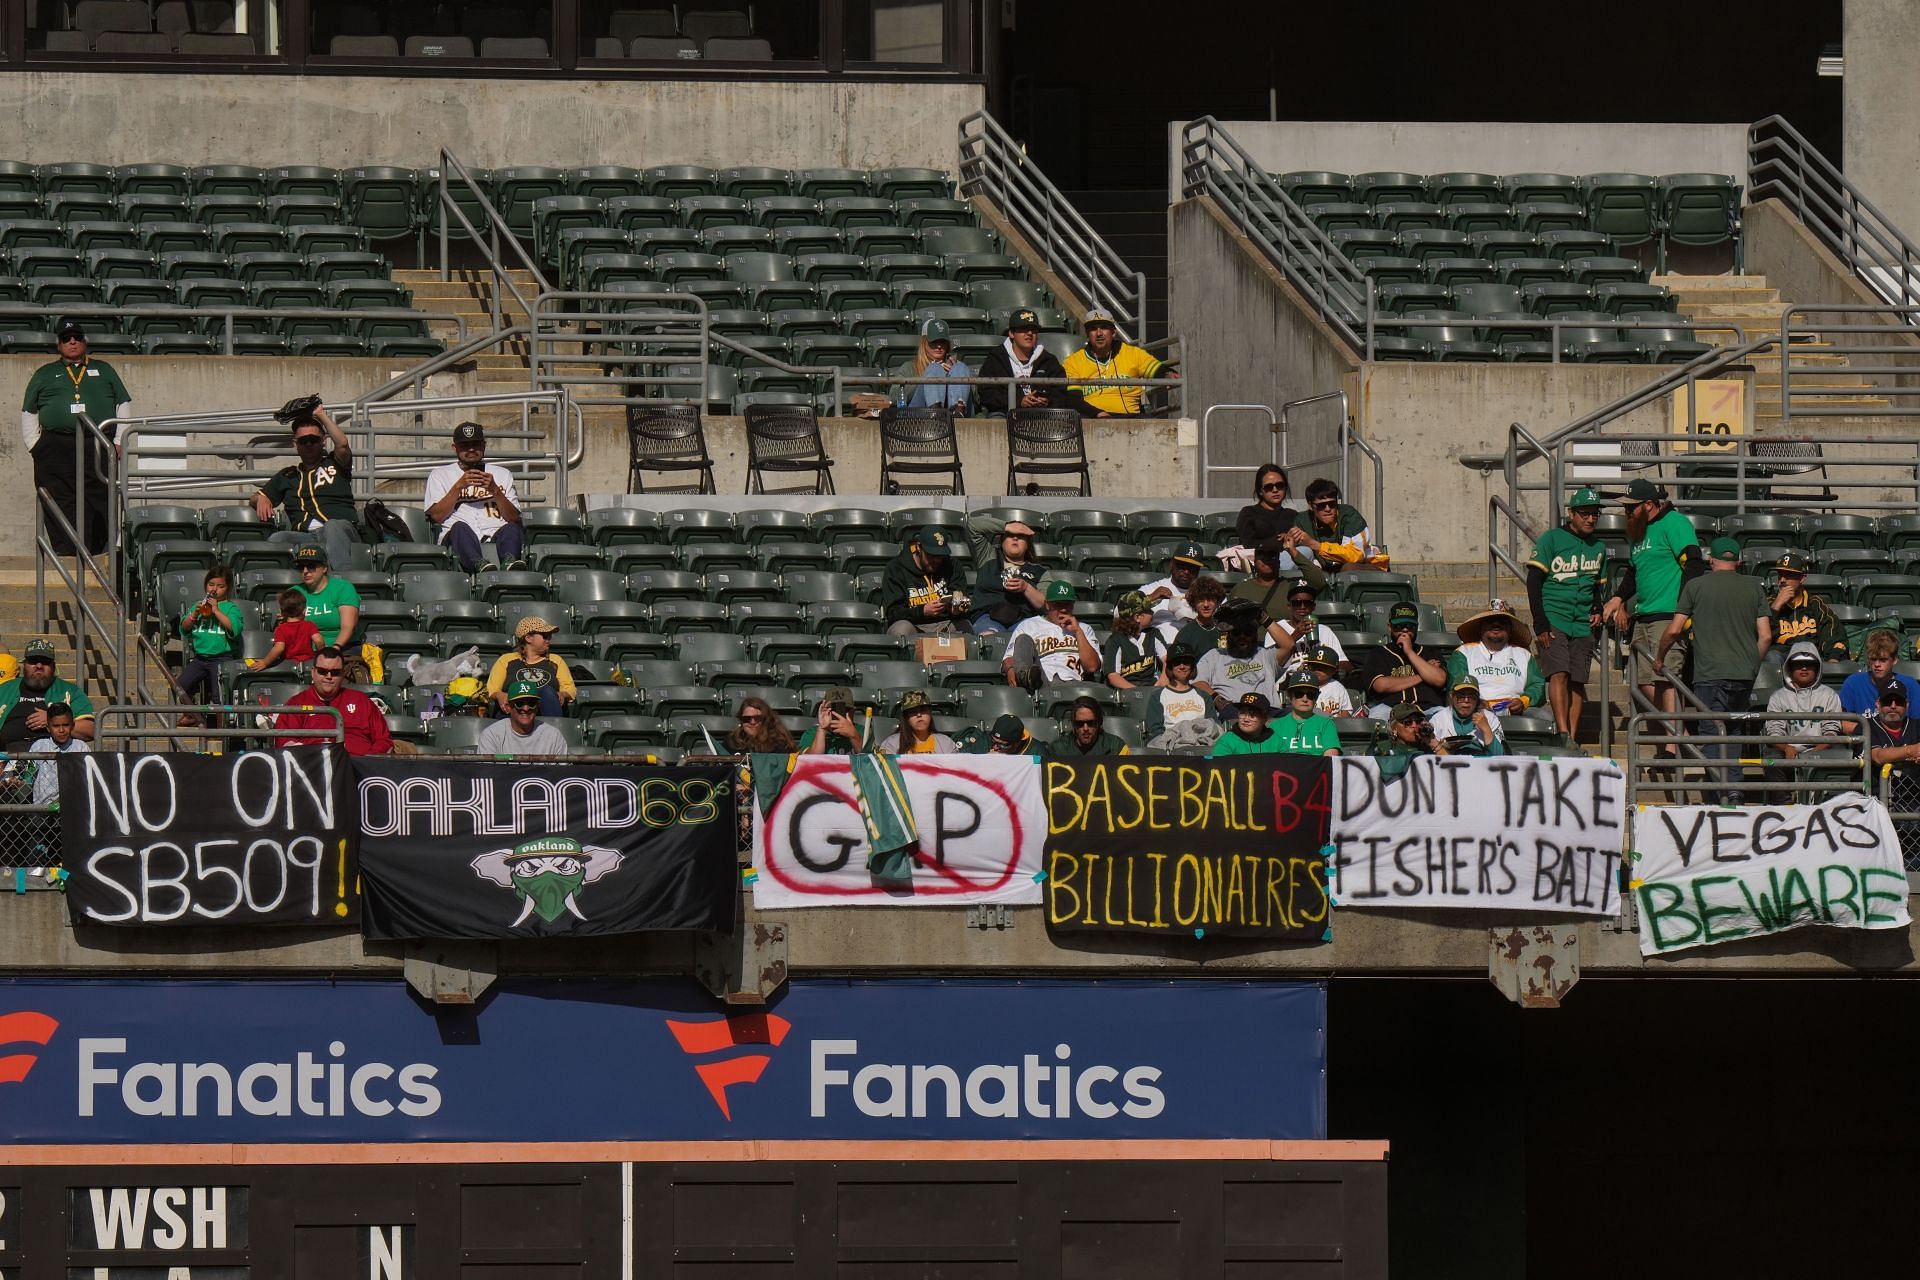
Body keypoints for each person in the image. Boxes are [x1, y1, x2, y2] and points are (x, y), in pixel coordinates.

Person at [1658, 536, 1772, 802]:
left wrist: (1659, 657)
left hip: (1709, 675)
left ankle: (1721, 793)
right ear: (1739, 561)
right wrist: (1751, 664)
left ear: (1711, 560)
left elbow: (1675, 629)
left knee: (1711, 734)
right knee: (1733, 734)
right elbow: (1765, 636)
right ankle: (1733, 790)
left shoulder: (1696, 586)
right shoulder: (1754, 587)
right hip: (1742, 675)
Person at [1601, 478, 1703, 748]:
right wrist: (1617, 597)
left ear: (1649, 505)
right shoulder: (1640, 531)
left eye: (1632, 507)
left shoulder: (1675, 523)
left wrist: (1683, 612)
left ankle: (1672, 743)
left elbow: (1693, 564)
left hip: (1668, 615)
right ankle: (1678, 732)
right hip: (1643, 615)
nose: (1627, 512)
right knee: (1645, 683)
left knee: (1666, 678)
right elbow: (1634, 571)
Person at [21, 318, 129, 555]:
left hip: (96, 443)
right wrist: (34, 444)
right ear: (58, 344)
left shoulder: (104, 369)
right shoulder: (45, 373)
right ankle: (66, 554)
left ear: (85, 341)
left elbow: (122, 403)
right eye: (66, 339)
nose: (72, 342)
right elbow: (29, 410)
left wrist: (119, 440)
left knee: (99, 497)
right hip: (56, 446)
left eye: (77, 338)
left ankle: (98, 553)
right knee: (59, 499)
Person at [1527, 487, 1608, 740]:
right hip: (1555, 616)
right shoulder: (1551, 539)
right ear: (1571, 513)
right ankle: (1562, 733)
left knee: (1577, 681)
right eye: (1584, 513)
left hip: (1582, 622)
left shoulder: (1599, 546)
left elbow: (1596, 585)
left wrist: (1597, 607)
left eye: (1595, 513)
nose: (1590, 519)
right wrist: (1540, 624)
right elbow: (1534, 581)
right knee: (1558, 673)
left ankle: (1572, 737)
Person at [254, 401, 361, 571]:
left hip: (342, 531)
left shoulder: (336, 463)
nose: (309, 444)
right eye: (304, 441)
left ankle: (343, 581)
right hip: (305, 536)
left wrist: (320, 415)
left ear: (323, 441)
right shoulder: (287, 475)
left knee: (333, 526)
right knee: (277, 539)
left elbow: (342, 444)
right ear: (295, 444)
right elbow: (256, 497)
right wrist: (262, 498)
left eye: (314, 440)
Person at [424, 420, 524, 573]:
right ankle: (479, 564)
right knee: (459, 527)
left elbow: (514, 518)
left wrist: (495, 490)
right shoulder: (439, 475)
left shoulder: (502, 474)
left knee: (511, 528)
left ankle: (509, 563)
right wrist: (457, 487)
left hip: (495, 535)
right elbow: (436, 516)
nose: (471, 449)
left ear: (484, 445)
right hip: (458, 538)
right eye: (465, 445)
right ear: (454, 447)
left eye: (475, 444)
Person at [273, 646, 393, 756]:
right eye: (322, 671)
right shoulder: (296, 703)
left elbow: (383, 740)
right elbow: (284, 741)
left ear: (343, 674)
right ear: (313, 672)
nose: (329, 676)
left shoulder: (361, 701)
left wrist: (369, 758)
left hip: (358, 768)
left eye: (335, 672)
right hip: (314, 769)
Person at [1765, 642, 1847, 803]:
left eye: (1809, 664)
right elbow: (1774, 730)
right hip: (1787, 750)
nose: (1804, 668)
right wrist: (1786, 747)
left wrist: (1815, 751)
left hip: (1821, 748)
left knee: (1841, 751)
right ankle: (1784, 806)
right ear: (1789, 667)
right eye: (1798, 664)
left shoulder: (1829, 695)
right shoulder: (1778, 697)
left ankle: (1828, 804)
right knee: (1771, 757)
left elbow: (1831, 730)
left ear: (1817, 667)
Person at [1062, 306, 1173, 418]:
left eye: (1104, 327)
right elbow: (1073, 400)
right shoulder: (1073, 362)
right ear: (1087, 334)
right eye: (1093, 329)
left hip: (1131, 418)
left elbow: (1155, 368)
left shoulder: (1132, 353)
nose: (1099, 333)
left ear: (1113, 332)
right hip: (1092, 418)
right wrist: (1098, 413)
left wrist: (1167, 374)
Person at [977, 308, 1088, 418]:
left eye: (1034, 330)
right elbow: (986, 393)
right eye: (1024, 329)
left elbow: (1060, 393)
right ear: (1011, 333)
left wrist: (1047, 401)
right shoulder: (996, 358)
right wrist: (1019, 401)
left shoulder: (1048, 360)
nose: (1029, 333)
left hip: (1043, 415)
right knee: (996, 420)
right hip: (1006, 413)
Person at [1447, 601, 1544, 715]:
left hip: (1517, 710)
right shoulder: (1463, 652)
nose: (1496, 625)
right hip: (1476, 709)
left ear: (1510, 629)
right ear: (1481, 627)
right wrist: (1477, 703)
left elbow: (1537, 685)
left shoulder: (1524, 655)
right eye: (1490, 621)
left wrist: (1523, 701)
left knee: (1544, 717)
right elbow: (1456, 685)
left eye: (1502, 622)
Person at [176, 564, 242, 725]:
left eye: (220, 586)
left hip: (221, 658)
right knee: (181, 685)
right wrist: (194, 614)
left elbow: (235, 629)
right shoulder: (197, 606)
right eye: (211, 585)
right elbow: (184, 628)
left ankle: (221, 728)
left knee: (219, 696)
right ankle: (192, 714)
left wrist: (216, 611)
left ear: (227, 588)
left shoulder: (231, 608)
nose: (214, 589)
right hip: (200, 658)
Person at [0, 639, 95, 750]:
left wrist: (52, 720)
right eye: (33, 661)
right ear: (24, 665)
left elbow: (90, 730)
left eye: (45, 662)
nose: (39, 666)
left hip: (54, 759)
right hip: (7, 758)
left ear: (53, 667)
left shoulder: (70, 691)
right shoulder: (5, 689)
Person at [1005, 580, 1101, 689]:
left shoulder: (1084, 629)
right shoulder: (1028, 625)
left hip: (1074, 685)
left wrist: (1078, 631)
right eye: (1058, 604)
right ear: (1047, 604)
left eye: (1067, 604)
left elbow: (1092, 667)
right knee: (1023, 639)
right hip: (1041, 683)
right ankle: (1027, 680)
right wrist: (1010, 669)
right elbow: (1008, 659)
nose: (1064, 609)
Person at [1359, 601, 1447, 719]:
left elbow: (1439, 679)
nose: (1405, 630)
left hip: (1428, 709)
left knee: (1445, 717)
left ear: (1416, 627)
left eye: (1409, 626)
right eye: (1399, 626)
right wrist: (1422, 675)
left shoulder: (1430, 652)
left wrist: (1409, 652)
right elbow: (1381, 685)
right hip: (1390, 709)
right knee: (1376, 718)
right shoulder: (1378, 653)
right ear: (1389, 627)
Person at [1196, 602, 1283, 719]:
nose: (1242, 636)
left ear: (1255, 635)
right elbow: (1198, 682)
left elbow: (1288, 645)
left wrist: (1264, 618)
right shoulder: (1215, 655)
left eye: (1248, 633)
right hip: (1235, 710)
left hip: (1268, 711)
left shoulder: (1265, 654)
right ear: (1228, 635)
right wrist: (1217, 699)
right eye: (1236, 633)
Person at [485, 615, 577, 719]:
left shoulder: (555, 660)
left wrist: (563, 694)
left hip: (544, 713)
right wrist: (499, 695)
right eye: (544, 635)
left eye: (549, 636)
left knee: (547, 691)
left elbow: (570, 688)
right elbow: (492, 689)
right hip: (514, 712)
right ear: (528, 638)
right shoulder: (507, 660)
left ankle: (553, 733)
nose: (549, 639)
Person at [881, 525, 963, 638]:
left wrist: (956, 608)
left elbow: (958, 593)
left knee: (966, 628)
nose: (936, 560)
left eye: (940, 556)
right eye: (931, 555)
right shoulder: (896, 568)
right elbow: (893, 612)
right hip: (914, 625)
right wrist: (922, 611)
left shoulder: (953, 566)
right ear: (919, 548)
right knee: (900, 630)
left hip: (946, 623)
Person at [1768, 550, 1848, 664]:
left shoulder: (1815, 604)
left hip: (1811, 658)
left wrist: (1833, 659)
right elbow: (1758, 636)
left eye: (1788, 575)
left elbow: (1833, 633)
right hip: (1781, 657)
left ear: (1802, 578)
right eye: (1780, 575)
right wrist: (1775, 607)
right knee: (1772, 657)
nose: (1782, 580)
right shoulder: (1769, 603)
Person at [969, 519, 1046, 635]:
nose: (1015, 538)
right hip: (987, 616)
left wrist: (1026, 587)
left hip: (1023, 619)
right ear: (1002, 541)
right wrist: (1007, 526)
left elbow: (1047, 605)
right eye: (1010, 535)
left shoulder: (1039, 571)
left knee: (1025, 640)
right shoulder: (988, 556)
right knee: (990, 639)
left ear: (1027, 545)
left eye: (1020, 536)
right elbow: (972, 525)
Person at [1299, 478, 1381, 573]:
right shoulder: (1301, 521)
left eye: (1332, 504)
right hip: (1327, 570)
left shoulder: (1350, 516)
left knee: (1348, 569)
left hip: (1368, 567)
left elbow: (1355, 555)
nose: (1328, 509)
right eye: (1321, 505)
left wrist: (1315, 545)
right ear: (1310, 506)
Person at [476, 678, 572, 756]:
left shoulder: (553, 736)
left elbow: (563, 774)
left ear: (538, 707)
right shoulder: (491, 735)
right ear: (508, 707)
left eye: (531, 703)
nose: (526, 708)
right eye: (519, 703)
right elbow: (488, 774)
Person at [291, 543, 361, 650]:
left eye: (311, 566)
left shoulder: (343, 588)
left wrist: (334, 649)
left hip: (343, 648)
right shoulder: (294, 592)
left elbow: (348, 627)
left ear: (324, 568)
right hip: (307, 650)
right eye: (301, 567)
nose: (305, 571)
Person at [1840, 629, 1920, 715]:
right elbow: (1844, 723)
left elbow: (1916, 723)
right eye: (1873, 659)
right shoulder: (1853, 683)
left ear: (1895, 660)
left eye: (1883, 660)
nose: (1877, 664)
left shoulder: (1910, 685)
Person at [1272, 583, 1348, 674]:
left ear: (1313, 606)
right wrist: (1295, 636)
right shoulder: (1277, 628)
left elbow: (1344, 663)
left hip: (1320, 682)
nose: (1302, 607)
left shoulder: (1325, 631)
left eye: (1307, 603)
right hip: (1289, 683)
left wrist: (1322, 667)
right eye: (1297, 603)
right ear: (1289, 606)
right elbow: (1270, 663)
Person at [1139, 542, 1207, 642]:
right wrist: (1149, 598)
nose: (1186, 571)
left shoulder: (1208, 594)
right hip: (1159, 649)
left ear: (1198, 570)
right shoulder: (1152, 589)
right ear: (1172, 564)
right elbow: (1118, 615)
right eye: (1182, 565)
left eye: (1192, 568)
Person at [1143, 645, 1211, 743]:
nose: (1182, 666)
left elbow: (1213, 726)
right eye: (1177, 663)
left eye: (1186, 662)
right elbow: (1156, 731)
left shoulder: (1204, 696)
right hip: (1172, 747)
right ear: (1170, 666)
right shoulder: (1158, 696)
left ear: (1192, 666)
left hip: (1201, 745)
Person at [904, 317, 972, 413]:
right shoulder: (909, 367)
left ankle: (958, 413)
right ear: (924, 343)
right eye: (934, 342)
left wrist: (952, 377)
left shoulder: (957, 367)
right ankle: (936, 414)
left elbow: (977, 399)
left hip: (955, 415)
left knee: (960, 366)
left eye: (942, 342)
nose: (939, 346)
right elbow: (893, 396)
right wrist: (926, 379)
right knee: (934, 369)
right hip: (921, 414)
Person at [1426, 675, 1505, 755]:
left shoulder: (1490, 718)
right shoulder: (1439, 719)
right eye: (1461, 695)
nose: (1466, 700)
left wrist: (1486, 729)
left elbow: (1500, 758)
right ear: (1451, 696)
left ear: (1477, 698)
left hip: (1481, 764)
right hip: (1448, 764)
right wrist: (1440, 746)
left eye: (1471, 695)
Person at [251, 588, 322, 674]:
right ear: (304, 611)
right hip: (308, 664)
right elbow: (318, 640)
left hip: (289, 666)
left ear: (282, 612)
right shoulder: (309, 625)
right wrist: (320, 656)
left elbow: (279, 647)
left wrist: (265, 662)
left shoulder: (281, 629)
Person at [1235, 464, 1303, 550]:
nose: (1275, 490)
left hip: (1290, 558)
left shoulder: (1293, 515)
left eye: (1280, 485)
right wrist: (1281, 542)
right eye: (1268, 487)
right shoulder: (1249, 513)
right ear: (1260, 491)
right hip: (1259, 559)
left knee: (1306, 551)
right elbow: (1248, 544)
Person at [1102, 592, 1162, 689]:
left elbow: (1167, 660)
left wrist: (1161, 682)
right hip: (1126, 691)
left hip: (1152, 687)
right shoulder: (1115, 640)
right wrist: (1137, 693)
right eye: (1149, 610)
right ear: (1138, 617)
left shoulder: (1153, 634)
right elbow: (1113, 676)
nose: (1153, 612)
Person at [1271, 675, 1341, 756]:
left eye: (1310, 695)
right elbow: (1271, 760)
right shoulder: (1276, 727)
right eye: (1299, 694)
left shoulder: (1326, 724)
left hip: (1317, 768)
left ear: (1316, 697)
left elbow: (1330, 758)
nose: (1305, 699)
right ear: (1289, 696)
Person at [1371, 701, 1439, 779]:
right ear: (1394, 729)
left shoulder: (1429, 746)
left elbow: (1450, 769)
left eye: (1418, 721)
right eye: (1408, 722)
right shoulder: (1384, 748)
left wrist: (1434, 743)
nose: (1414, 725)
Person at [1209, 691, 1287, 757]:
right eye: (1242, 713)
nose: (1246, 719)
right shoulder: (1227, 741)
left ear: (1264, 719)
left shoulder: (1276, 740)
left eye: (1252, 715)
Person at [880, 689, 957, 754]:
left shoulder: (945, 743)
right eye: (913, 712)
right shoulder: (891, 744)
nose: (919, 715)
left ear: (930, 713)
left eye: (923, 710)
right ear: (906, 717)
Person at [1052, 695, 1130, 757]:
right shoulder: (1058, 749)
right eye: (1080, 723)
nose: (1085, 728)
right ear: (1073, 723)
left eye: (1091, 723)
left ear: (1099, 722)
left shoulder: (1116, 747)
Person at [1172, 576, 1229, 656]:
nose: (1206, 605)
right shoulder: (1185, 635)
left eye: (1210, 599)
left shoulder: (1227, 629)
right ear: (1193, 603)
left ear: (1218, 602)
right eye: (1201, 600)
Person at [799, 686, 865, 754]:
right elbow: (810, 761)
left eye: (845, 710)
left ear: (853, 711)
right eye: (834, 710)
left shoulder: (862, 731)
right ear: (825, 711)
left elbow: (868, 760)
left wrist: (854, 736)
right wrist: (822, 729)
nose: (839, 714)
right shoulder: (811, 733)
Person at [728, 695, 798, 753]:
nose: (752, 722)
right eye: (747, 718)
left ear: (765, 719)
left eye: (757, 718)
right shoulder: (731, 741)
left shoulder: (780, 744)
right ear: (741, 720)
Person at [1304, 646, 1353, 718]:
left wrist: (1341, 718)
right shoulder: (1303, 685)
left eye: (1323, 667)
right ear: (1308, 667)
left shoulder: (1338, 688)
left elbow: (1346, 711)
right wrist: (1324, 715)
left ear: (1334, 670)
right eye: (1314, 666)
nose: (1317, 670)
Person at [965, 712, 1034, 755]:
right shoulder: (984, 742)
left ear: (1017, 743)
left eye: (1002, 745)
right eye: (994, 741)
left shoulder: (1035, 752)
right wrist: (986, 760)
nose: (995, 747)